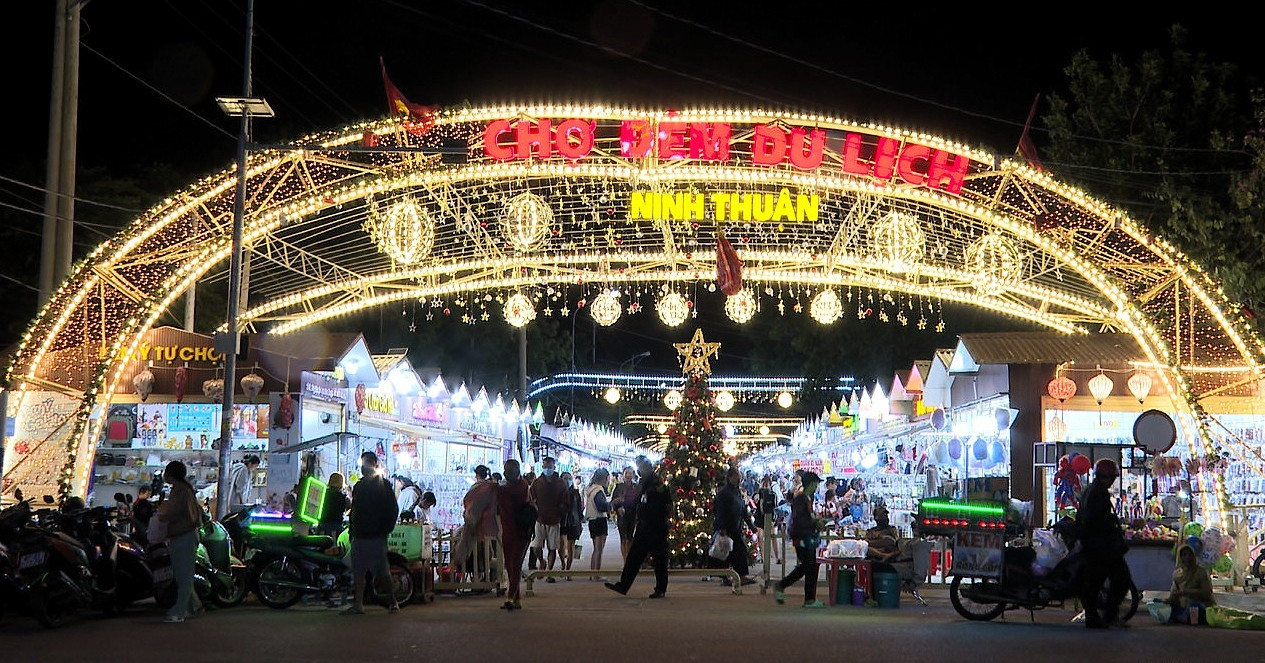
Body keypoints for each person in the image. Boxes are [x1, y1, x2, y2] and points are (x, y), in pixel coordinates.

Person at [1075, 458, 1133, 629]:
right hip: (1101, 547)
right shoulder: (1098, 493)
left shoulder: (1091, 491)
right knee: (1119, 579)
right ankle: (1105, 614)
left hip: (1094, 545)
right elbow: (1097, 521)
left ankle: (1099, 615)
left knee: (1095, 582)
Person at [342, 451, 400, 615]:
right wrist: (352, 530)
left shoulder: (383, 484)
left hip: (375, 535)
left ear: (374, 464)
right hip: (360, 534)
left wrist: (385, 529)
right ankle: (358, 604)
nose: (363, 467)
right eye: (362, 463)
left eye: (366, 463)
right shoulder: (359, 486)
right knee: (358, 571)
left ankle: (393, 602)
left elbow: (392, 509)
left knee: (382, 571)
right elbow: (355, 510)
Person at [605, 455, 671, 599]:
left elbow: (663, 504)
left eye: (640, 466)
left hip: (655, 526)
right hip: (645, 525)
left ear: (646, 467)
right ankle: (624, 585)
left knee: (659, 559)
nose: (638, 470)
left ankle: (660, 589)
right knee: (634, 557)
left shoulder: (655, 484)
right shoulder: (644, 483)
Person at [157, 461, 204, 623]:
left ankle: (180, 611)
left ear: (170, 474)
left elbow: (172, 511)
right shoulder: (184, 489)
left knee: (183, 575)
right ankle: (191, 606)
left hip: (183, 535)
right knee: (182, 574)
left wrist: (161, 515)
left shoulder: (180, 491)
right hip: (185, 535)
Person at [774, 471, 825, 608]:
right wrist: (814, 523)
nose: (817, 487)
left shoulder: (807, 498)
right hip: (802, 537)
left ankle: (807, 597)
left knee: (809, 566)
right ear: (812, 484)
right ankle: (806, 598)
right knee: (809, 566)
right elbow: (799, 520)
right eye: (816, 484)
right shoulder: (802, 499)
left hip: (804, 536)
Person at [714, 467, 758, 585]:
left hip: (735, 527)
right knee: (728, 552)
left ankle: (740, 576)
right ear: (730, 478)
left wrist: (751, 525)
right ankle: (728, 577)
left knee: (738, 552)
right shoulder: (724, 493)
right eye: (736, 476)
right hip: (728, 528)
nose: (739, 479)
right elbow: (720, 511)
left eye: (739, 476)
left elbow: (743, 510)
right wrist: (722, 527)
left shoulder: (736, 492)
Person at [497, 459, 530, 610]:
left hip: (520, 531)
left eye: (508, 470)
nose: (506, 472)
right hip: (508, 530)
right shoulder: (507, 487)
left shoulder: (521, 485)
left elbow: (507, 494)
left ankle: (510, 597)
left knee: (515, 564)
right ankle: (516, 599)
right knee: (509, 565)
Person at [529, 456, 568, 581]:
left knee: (552, 548)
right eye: (545, 466)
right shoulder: (537, 483)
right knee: (536, 546)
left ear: (554, 466)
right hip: (539, 519)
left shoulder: (560, 483)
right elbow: (531, 499)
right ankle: (541, 561)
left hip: (554, 520)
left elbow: (565, 501)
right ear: (542, 466)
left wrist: (561, 512)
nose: (547, 468)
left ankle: (549, 573)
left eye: (549, 466)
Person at [461, 465, 500, 579]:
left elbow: (468, 506)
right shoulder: (492, 487)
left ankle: (478, 578)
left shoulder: (475, 489)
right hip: (493, 526)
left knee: (477, 554)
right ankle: (494, 577)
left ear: (476, 475)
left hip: (478, 526)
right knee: (493, 553)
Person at [1167, 543, 1215, 624]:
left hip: (1202, 607)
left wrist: (1187, 592)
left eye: (1190, 554)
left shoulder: (1201, 572)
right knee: (1165, 604)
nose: (1187, 558)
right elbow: (1173, 594)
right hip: (1183, 607)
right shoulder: (1177, 574)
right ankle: (1181, 616)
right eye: (1184, 555)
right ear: (1180, 557)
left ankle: (1184, 617)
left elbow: (1207, 593)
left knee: (1193, 604)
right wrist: (1166, 601)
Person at [584, 468, 611, 579]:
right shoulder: (598, 490)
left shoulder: (590, 489)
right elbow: (601, 506)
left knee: (595, 548)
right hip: (599, 519)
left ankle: (593, 572)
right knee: (599, 549)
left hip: (592, 520)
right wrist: (610, 505)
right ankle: (596, 574)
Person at [610, 465, 639, 563]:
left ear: (633, 475)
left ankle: (629, 559)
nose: (628, 475)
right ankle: (625, 560)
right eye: (626, 473)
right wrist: (618, 508)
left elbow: (639, 500)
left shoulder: (636, 487)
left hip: (633, 514)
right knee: (623, 538)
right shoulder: (619, 487)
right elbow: (613, 501)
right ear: (623, 475)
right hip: (622, 515)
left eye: (630, 473)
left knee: (630, 538)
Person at [559, 470, 584, 579]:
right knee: (560, 545)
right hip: (561, 521)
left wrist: (580, 520)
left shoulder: (575, 492)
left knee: (571, 546)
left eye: (569, 478)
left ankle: (567, 570)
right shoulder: (558, 492)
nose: (567, 480)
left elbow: (579, 508)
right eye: (565, 478)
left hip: (573, 521)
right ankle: (563, 564)